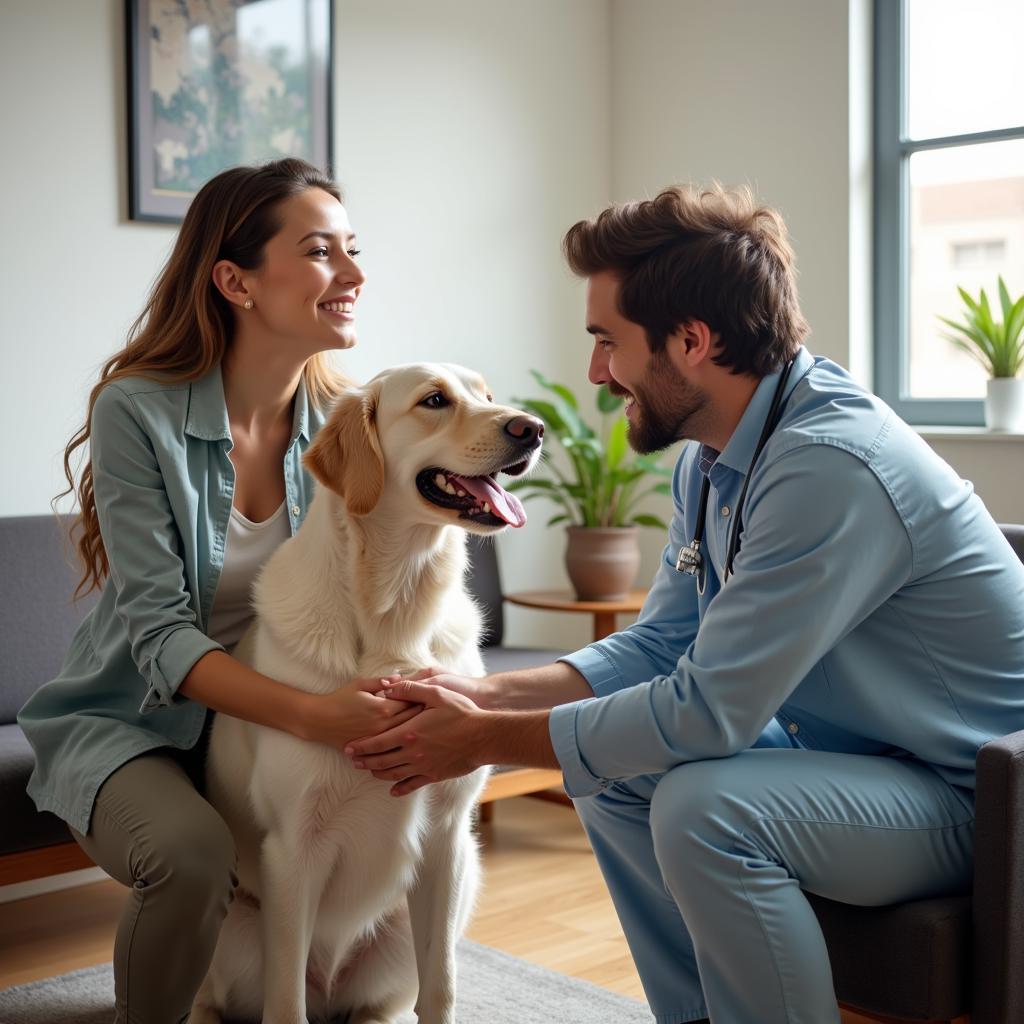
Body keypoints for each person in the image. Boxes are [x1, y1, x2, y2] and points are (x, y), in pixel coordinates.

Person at [345, 184, 1024, 1024]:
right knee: (615, 776)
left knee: (706, 807)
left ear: (693, 342)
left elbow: (710, 716)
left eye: (607, 342)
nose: (596, 372)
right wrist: (477, 694)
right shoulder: (714, 456)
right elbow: (663, 643)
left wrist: (486, 740)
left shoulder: (828, 467)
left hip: (979, 797)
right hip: (868, 753)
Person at [18, 158, 419, 1024]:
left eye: (354, 249)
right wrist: (316, 716)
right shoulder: (137, 411)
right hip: (139, 719)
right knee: (193, 857)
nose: (353, 274)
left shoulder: (346, 419)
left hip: (265, 725)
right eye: (321, 252)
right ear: (235, 279)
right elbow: (159, 632)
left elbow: (389, 583)